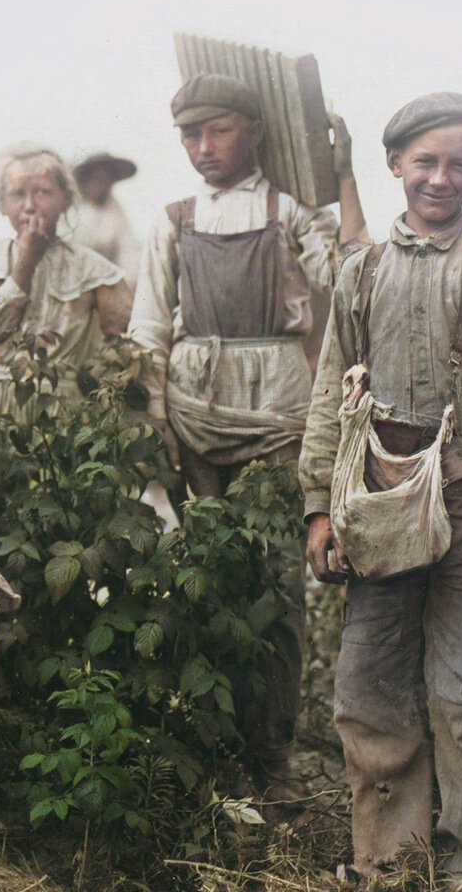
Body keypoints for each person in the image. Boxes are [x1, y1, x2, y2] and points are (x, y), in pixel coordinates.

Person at [300, 92, 462, 892]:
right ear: (395, 165)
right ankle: (390, 861)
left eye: (460, 164)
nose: (441, 179)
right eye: (426, 162)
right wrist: (318, 505)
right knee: (370, 681)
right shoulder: (360, 271)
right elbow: (324, 397)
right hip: (379, 505)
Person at [128, 72, 368, 804]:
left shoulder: (289, 212)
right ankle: (212, 752)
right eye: (190, 135)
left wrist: (345, 171)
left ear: (253, 132)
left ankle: (273, 755)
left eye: (219, 130)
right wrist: (152, 422)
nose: (203, 148)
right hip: (196, 408)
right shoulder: (173, 219)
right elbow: (146, 328)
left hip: (277, 410)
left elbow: (356, 274)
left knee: (274, 583)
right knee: (203, 574)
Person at [0, 143, 132, 431]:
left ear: (65, 200)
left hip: (60, 415)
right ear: (2, 205)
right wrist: (26, 263)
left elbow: (122, 342)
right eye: (17, 194)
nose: (29, 205)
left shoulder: (95, 270)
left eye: (42, 192)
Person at [72, 151, 142, 284]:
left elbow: (128, 253)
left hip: (104, 286)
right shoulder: (69, 209)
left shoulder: (114, 213)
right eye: (97, 178)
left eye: (106, 179)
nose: (101, 184)